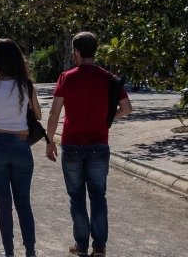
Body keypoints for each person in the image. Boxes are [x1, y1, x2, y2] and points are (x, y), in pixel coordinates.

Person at [45, 32, 133, 257]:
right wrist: (107, 118)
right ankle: (100, 246)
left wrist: (49, 140)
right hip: (99, 145)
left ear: (76, 52)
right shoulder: (108, 78)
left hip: (72, 144)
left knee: (76, 197)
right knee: (98, 196)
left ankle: (81, 245)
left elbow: (55, 112)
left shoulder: (66, 77)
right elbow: (127, 108)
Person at [0, 39, 41, 257]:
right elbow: (38, 115)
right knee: (23, 202)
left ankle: (9, 252)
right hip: (21, 145)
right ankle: (31, 251)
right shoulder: (26, 85)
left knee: (3, 203)